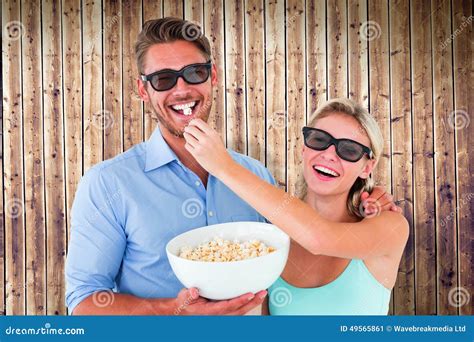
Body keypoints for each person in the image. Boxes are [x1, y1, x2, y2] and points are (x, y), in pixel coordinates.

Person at [66, 17, 397, 316]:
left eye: (194, 73)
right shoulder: (108, 184)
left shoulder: (255, 177)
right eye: (163, 79)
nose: (181, 89)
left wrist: (369, 198)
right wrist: (174, 311)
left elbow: (318, 235)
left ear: (213, 77)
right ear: (143, 89)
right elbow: (83, 304)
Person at [183, 97, 408, 315]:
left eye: (349, 150)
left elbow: (319, 239)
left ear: (367, 167)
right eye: (319, 140)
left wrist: (224, 167)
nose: (329, 155)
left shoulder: (391, 226)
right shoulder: (270, 239)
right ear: (303, 149)